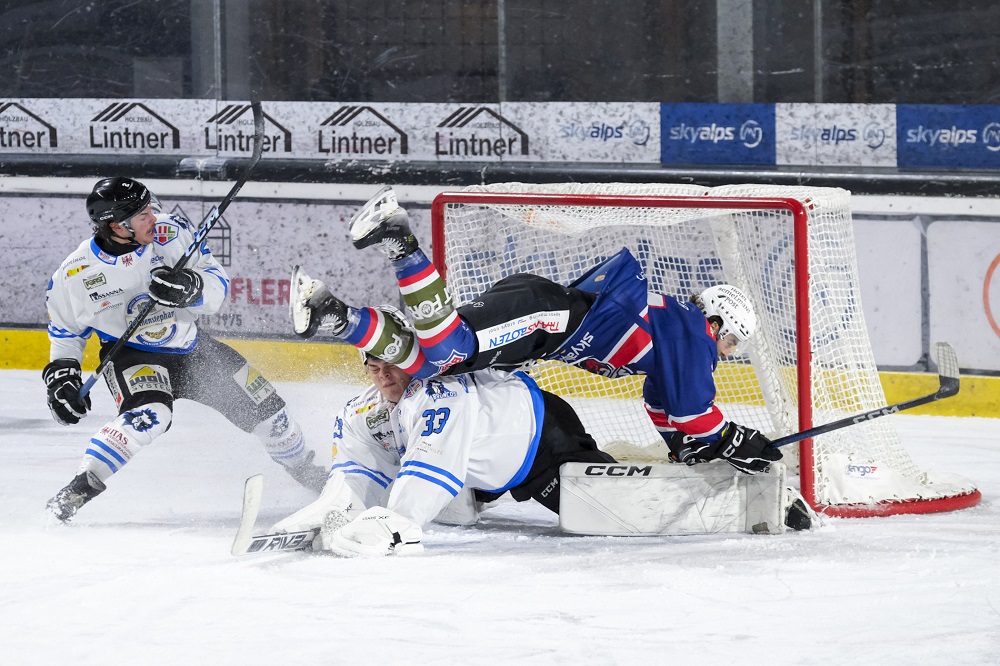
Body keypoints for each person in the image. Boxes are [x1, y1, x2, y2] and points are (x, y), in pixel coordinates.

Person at [291, 186, 782, 478]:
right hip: (551, 316)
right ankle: (398, 237)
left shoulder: (675, 337)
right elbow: (696, 411)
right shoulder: (693, 333)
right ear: (716, 320)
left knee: (429, 366)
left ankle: (332, 315)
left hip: (546, 326)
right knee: (449, 349)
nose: (728, 351)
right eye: (731, 339)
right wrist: (735, 439)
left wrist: (687, 447)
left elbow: (666, 407)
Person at [42, 177, 328, 522]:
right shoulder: (73, 274)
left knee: (271, 415)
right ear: (118, 225)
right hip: (133, 355)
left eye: (150, 207)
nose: (154, 216)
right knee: (151, 416)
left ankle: (310, 474)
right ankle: (76, 491)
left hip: (192, 348)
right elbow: (65, 335)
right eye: (143, 213)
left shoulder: (170, 234)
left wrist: (191, 288)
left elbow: (216, 285)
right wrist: (62, 380)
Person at [270, 332, 617, 557]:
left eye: (392, 366)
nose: (384, 378)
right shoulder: (361, 410)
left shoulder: (439, 391)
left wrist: (399, 521)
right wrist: (331, 509)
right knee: (447, 506)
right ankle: (478, 495)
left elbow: (433, 464)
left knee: (605, 514)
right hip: (479, 469)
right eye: (374, 369)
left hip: (541, 441)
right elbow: (357, 471)